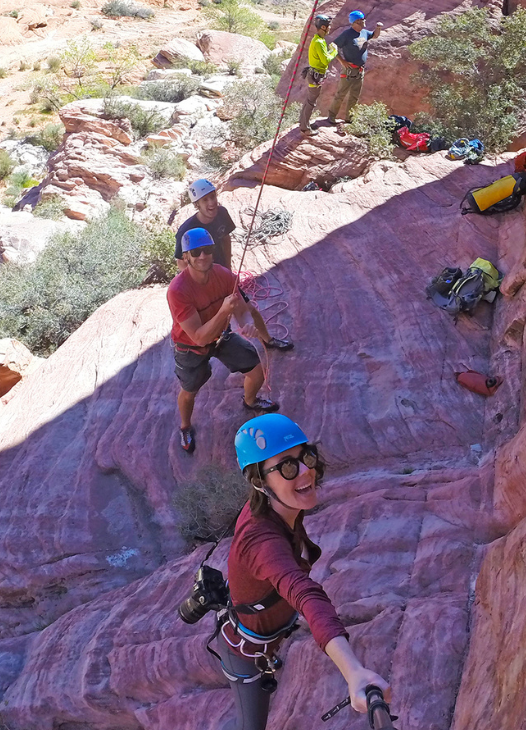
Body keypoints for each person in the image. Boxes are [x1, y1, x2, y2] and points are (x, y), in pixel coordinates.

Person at [218, 413, 390, 729]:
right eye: (286, 466)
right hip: (246, 654)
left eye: (305, 455)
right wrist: (353, 672)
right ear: (259, 481)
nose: (305, 470)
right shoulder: (262, 540)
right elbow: (305, 594)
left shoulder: (274, 505)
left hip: (264, 634)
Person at [167, 228, 280, 453]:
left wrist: (246, 323)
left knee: (256, 370)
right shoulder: (178, 291)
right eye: (195, 251)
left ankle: (250, 401)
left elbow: (241, 309)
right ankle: (185, 426)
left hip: (221, 336)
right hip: (190, 348)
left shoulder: (224, 276)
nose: (202, 256)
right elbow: (199, 338)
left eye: (207, 250)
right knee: (190, 390)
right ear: (186, 256)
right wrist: (221, 313)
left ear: (213, 251)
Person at [175, 179, 293, 352]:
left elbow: (225, 238)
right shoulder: (187, 230)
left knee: (249, 308)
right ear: (197, 204)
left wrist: (228, 269)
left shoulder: (222, 213)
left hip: (222, 277)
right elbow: (181, 261)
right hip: (202, 281)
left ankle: (267, 340)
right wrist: (199, 285)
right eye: (205, 200)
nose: (211, 203)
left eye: (213, 197)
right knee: (214, 318)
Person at [326, 10, 383, 125]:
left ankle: (349, 118)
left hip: (360, 70)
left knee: (354, 96)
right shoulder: (347, 34)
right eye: (361, 20)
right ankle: (331, 116)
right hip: (349, 70)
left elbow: (374, 35)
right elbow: (332, 46)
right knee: (341, 94)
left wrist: (378, 28)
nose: (363, 22)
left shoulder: (364, 33)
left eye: (363, 20)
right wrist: (342, 61)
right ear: (355, 22)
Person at [298, 14, 339, 136]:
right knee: (311, 101)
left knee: (310, 100)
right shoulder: (319, 42)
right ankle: (305, 128)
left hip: (315, 74)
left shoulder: (317, 39)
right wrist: (334, 51)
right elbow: (325, 60)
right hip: (316, 75)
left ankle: (303, 123)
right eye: (328, 26)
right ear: (323, 27)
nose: (330, 28)